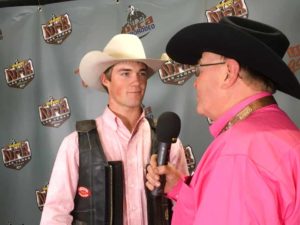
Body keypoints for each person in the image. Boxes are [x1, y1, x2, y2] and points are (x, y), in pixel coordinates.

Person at [145, 16, 300, 225]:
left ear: (229, 72)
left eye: (199, 70)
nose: (195, 83)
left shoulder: (239, 154)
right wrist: (180, 189)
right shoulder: (277, 130)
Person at [40, 33, 189, 225]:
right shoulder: (76, 145)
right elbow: (56, 215)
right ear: (105, 80)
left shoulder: (168, 145)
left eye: (141, 73)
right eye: (125, 73)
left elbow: (185, 207)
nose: (136, 81)